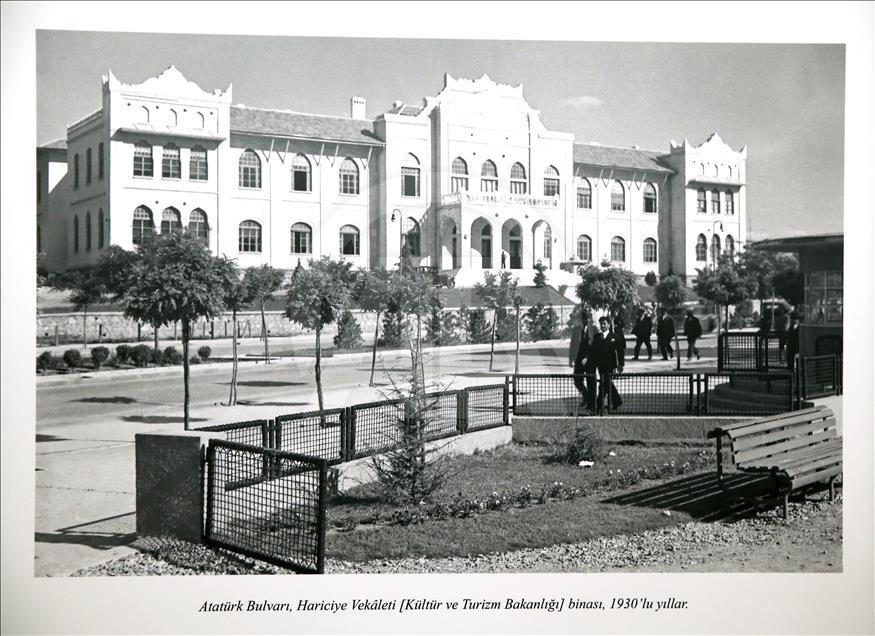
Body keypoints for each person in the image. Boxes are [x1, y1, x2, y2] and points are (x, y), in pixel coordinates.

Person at [588, 316, 622, 409]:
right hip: (600, 365)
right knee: (607, 383)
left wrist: (620, 364)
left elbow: (620, 352)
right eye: (601, 324)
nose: (603, 326)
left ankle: (599, 404)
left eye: (604, 324)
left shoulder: (614, 337)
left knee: (604, 383)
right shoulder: (597, 337)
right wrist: (588, 360)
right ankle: (616, 401)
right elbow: (592, 351)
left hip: (610, 364)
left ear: (609, 324)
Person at [569, 311, 596, 410]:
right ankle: (586, 396)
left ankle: (592, 404)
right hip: (578, 359)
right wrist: (571, 359)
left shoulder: (594, 329)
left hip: (590, 359)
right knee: (577, 380)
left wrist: (588, 358)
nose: (582, 321)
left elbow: (595, 346)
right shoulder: (575, 330)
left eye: (584, 319)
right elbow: (572, 345)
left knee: (591, 382)